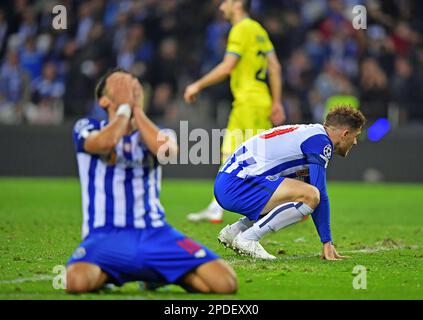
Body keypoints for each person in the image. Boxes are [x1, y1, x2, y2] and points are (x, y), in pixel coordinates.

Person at [66, 69, 237, 294]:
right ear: (103, 100)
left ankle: (158, 273)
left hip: (155, 232)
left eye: (132, 85)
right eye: (120, 84)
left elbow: (166, 150)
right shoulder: (87, 127)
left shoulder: (157, 132)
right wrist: (124, 110)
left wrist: (134, 110)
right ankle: (136, 271)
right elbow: (104, 143)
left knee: (225, 283)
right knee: (75, 282)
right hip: (106, 234)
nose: (129, 87)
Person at [214, 106, 365, 260]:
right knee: (310, 196)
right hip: (237, 185)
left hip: (230, 182)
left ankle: (234, 231)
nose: (355, 142)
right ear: (345, 134)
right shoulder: (320, 142)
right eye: (356, 136)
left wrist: (326, 240)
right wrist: (327, 241)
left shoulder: (311, 134)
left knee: (302, 197)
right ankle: (248, 238)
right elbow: (319, 194)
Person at [184, 0, 286, 223]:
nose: (221, 7)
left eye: (225, 2)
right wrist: (276, 101)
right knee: (229, 153)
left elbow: (228, 65)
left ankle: (292, 200)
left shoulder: (240, 29)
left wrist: (197, 85)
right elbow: (275, 67)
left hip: (250, 102)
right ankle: (215, 206)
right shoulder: (258, 30)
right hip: (251, 101)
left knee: (261, 160)